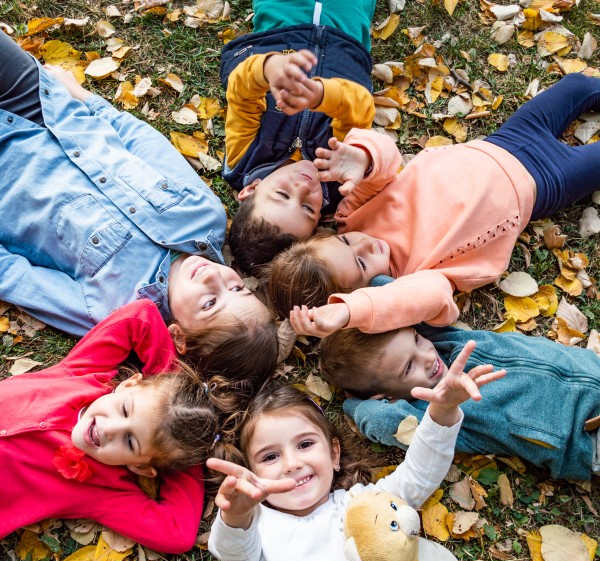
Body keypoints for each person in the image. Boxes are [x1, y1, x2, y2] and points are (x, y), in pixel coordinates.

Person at [0, 31, 277, 389]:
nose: (215, 278)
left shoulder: (111, 307)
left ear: (178, 336)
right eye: (238, 289)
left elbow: (15, 277)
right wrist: (82, 96)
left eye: (210, 303)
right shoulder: (204, 216)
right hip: (41, 103)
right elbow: (140, 141)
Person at [206, 342, 505, 561]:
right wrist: (237, 513)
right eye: (270, 457)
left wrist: (443, 410)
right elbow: (230, 549)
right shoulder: (258, 530)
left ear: (334, 454)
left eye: (305, 444)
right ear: (253, 472)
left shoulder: (359, 505)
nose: (292, 463)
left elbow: (417, 477)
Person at [266, 73, 600, 338]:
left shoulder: (352, 217)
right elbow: (429, 300)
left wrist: (364, 158)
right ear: (366, 290)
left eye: (347, 243)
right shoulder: (412, 280)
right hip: (544, 183)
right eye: (363, 264)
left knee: (578, 85)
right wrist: (352, 311)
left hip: (503, 141)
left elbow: (384, 162)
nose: (367, 245)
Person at [1, 299, 245, 553]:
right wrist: (171, 391)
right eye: (124, 409)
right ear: (128, 384)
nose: (110, 428)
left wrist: (185, 455)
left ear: (140, 466)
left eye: (130, 441)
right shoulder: (85, 374)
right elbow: (141, 315)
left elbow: (176, 533)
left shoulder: (104, 491)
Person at [319, 320, 600, 481]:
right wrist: (353, 403)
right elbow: (380, 419)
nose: (428, 357)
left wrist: (350, 311)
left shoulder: (445, 340)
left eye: (416, 340)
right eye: (408, 367)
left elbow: (390, 289)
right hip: (587, 437)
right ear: (388, 396)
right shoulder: (438, 418)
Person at [221, 0, 376, 274]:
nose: (303, 187)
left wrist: (269, 68)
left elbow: (241, 91)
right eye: (307, 207)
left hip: (282, 27)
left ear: (251, 189)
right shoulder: (337, 179)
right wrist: (321, 95)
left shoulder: (244, 156)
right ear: (319, 219)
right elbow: (360, 109)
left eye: (281, 194)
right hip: (346, 38)